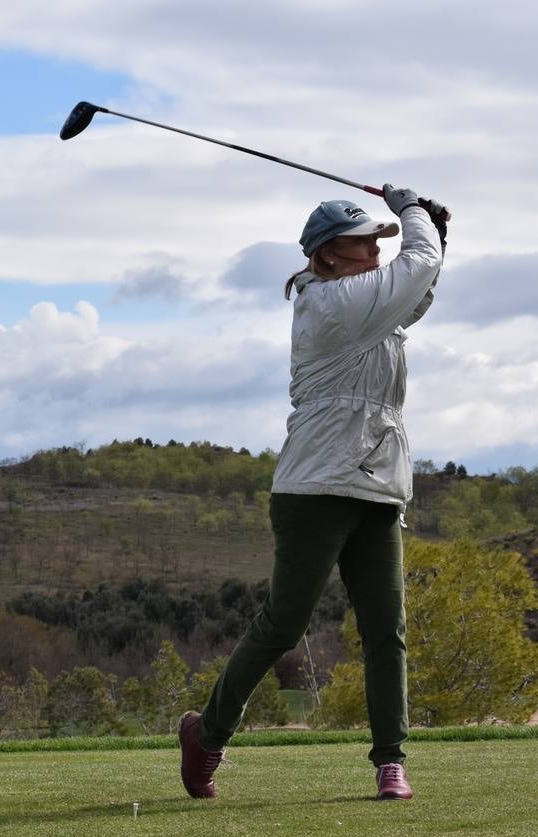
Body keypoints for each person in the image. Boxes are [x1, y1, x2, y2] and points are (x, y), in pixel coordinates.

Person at [179, 184, 448, 801]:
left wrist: (435, 229)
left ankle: (390, 762)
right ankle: (208, 735)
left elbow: (419, 291)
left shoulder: (369, 305)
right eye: (363, 244)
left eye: (378, 243)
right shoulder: (332, 304)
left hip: (377, 486)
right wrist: (413, 214)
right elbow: (418, 266)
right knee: (284, 624)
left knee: (386, 628)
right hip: (314, 487)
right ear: (328, 255)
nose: (375, 253)